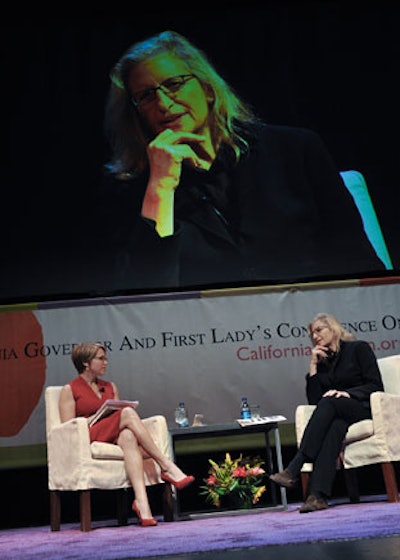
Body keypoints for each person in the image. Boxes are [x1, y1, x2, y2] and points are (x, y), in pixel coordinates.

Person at [92, 29, 385, 294]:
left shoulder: (295, 149)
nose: (164, 104)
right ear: (136, 112)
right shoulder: (132, 188)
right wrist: (161, 186)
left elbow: (357, 258)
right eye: (146, 96)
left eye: (174, 84)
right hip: (211, 333)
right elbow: (141, 295)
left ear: (206, 87)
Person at [59, 341, 194, 526]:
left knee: (129, 436)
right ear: (85, 362)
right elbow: (68, 427)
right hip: (89, 435)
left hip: (113, 433)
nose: (105, 362)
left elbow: (115, 414)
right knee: (128, 413)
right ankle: (166, 465)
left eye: (105, 358)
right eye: (101, 358)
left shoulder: (110, 386)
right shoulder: (70, 389)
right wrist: (93, 418)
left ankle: (142, 504)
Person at [269, 312, 384, 513]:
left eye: (319, 330)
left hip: (363, 407)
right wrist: (313, 366)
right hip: (338, 414)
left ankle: (295, 467)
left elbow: (375, 385)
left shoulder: (358, 348)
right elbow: (315, 402)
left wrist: (347, 393)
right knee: (333, 428)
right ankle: (317, 496)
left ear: (333, 328)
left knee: (330, 402)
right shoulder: (323, 363)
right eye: (312, 334)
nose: (315, 336)